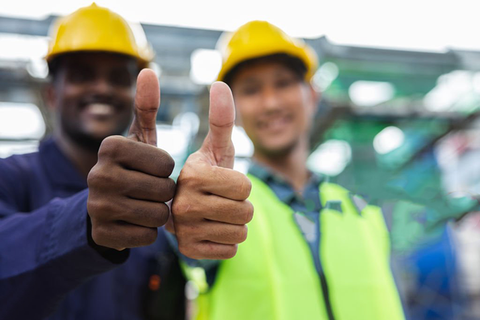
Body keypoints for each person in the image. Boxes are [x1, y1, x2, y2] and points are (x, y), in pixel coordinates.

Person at [0, 4, 252, 320]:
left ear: (135, 93)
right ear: (51, 93)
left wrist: (200, 246)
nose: (101, 88)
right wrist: (86, 222)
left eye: (118, 77)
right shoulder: (9, 179)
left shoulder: (158, 210)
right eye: (82, 75)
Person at [170, 20, 406, 320]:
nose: (270, 103)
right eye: (252, 90)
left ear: (313, 95)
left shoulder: (364, 213)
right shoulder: (218, 209)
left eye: (283, 83)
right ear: (235, 111)